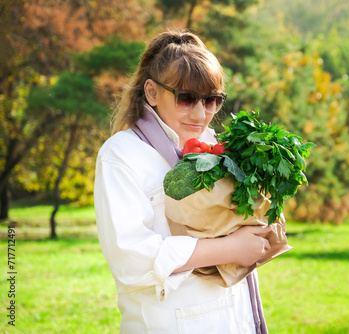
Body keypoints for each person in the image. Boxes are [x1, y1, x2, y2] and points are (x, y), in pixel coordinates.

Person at [94, 30, 272, 333]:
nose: (201, 114)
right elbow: (131, 258)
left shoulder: (217, 145)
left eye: (212, 100)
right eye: (186, 98)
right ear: (152, 92)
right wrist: (231, 248)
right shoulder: (121, 155)